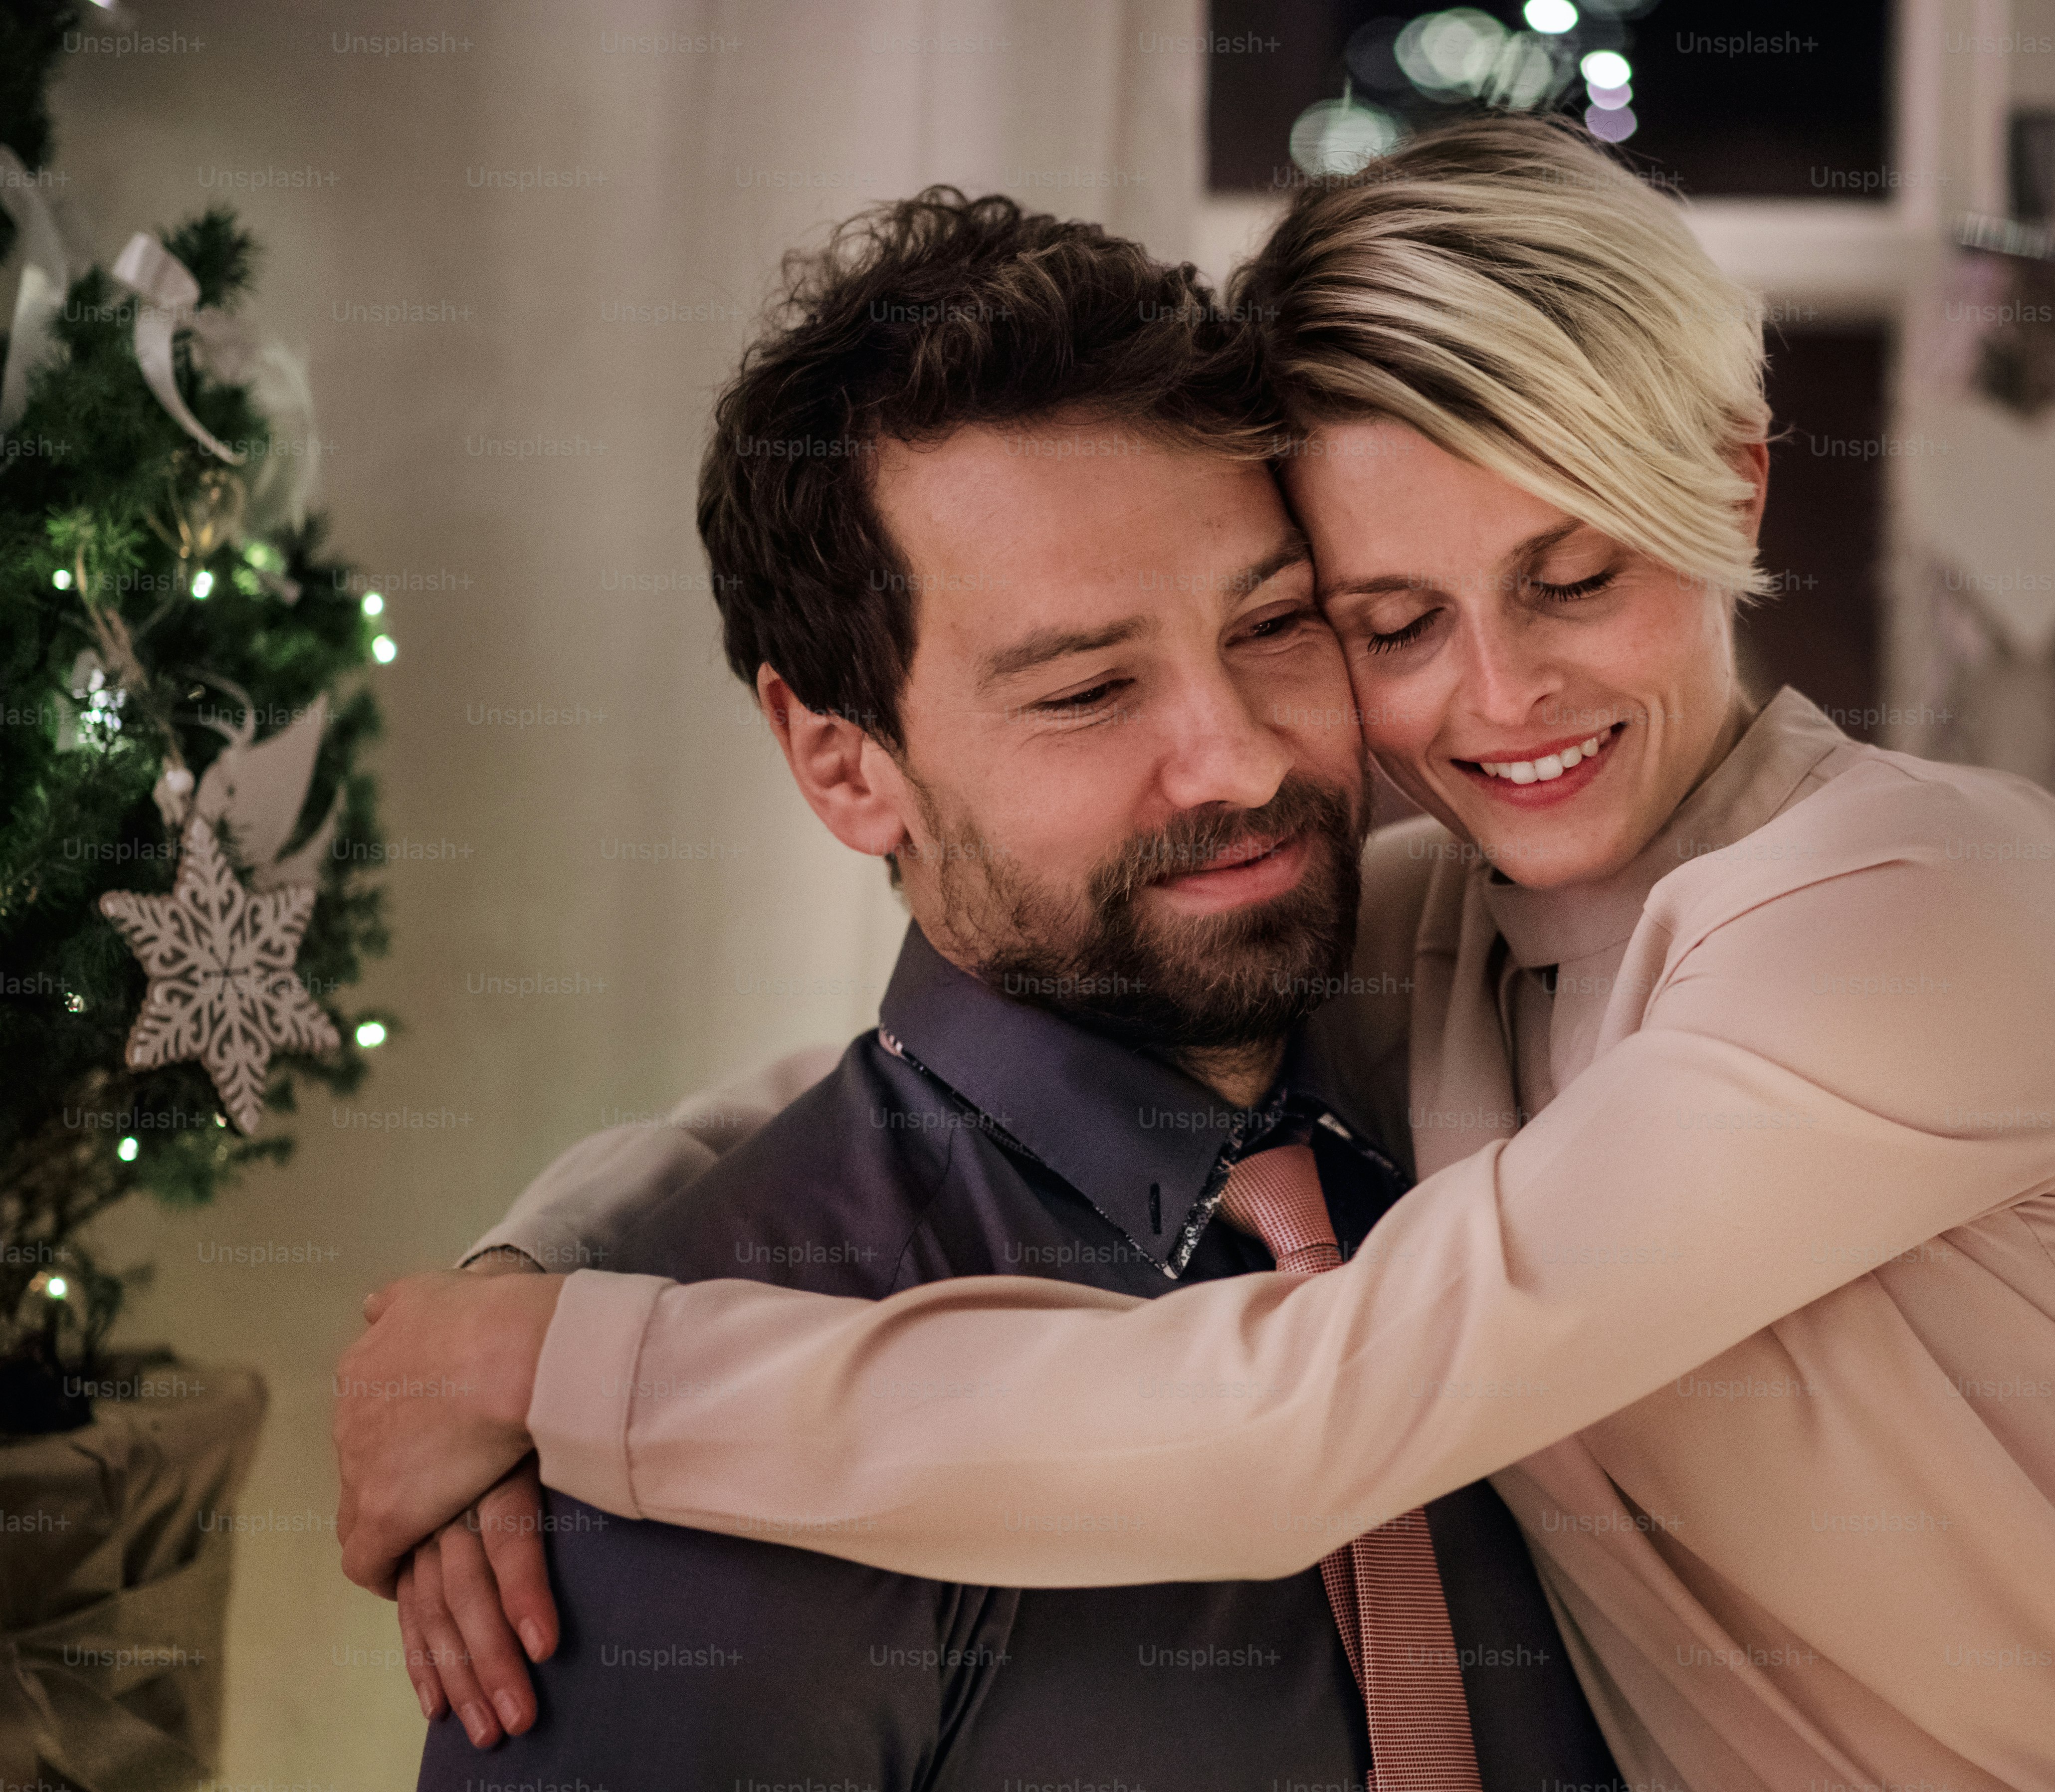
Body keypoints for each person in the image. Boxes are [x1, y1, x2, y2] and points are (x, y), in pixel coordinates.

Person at [340, 117, 2055, 1792]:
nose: (1496, 698)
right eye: (1386, 619)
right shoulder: (1453, 935)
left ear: (1730, 487)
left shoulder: (1921, 908)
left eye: (1572, 575)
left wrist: (561, 1366)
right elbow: (890, 1082)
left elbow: (1307, 1419)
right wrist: (527, 1275)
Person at [397, 188, 1619, 1792]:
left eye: (1274, 624)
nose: (1242, 758)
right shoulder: (663, 1457)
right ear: (843, 763)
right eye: (1091, 688)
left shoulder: (1532, 1103)